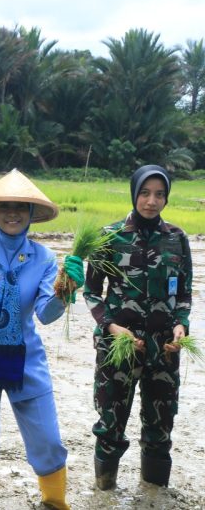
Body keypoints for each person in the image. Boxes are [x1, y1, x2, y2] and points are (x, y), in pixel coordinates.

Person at [0, 169, 83, 509]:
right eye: (5, 206)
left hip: (25, 358)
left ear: (32, 213)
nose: (12, 213)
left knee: (48, 440)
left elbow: (45, 314)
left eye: (21, 206)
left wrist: (66, 291)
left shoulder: (44, 258)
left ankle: (54, 501)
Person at [84, 165, 192, 490]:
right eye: (145, 193)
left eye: (159, 194)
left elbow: (184, 294)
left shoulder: (177, 238)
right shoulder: (109, 236)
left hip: (164, 349)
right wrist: (110, 326)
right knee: (110, 423)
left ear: (166, 198)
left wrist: (181, 326)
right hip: (118, 346)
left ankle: (154, 492)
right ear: (134, 194)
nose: (151, 201)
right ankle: (104, 493)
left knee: (161, 426)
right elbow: (91, 292)